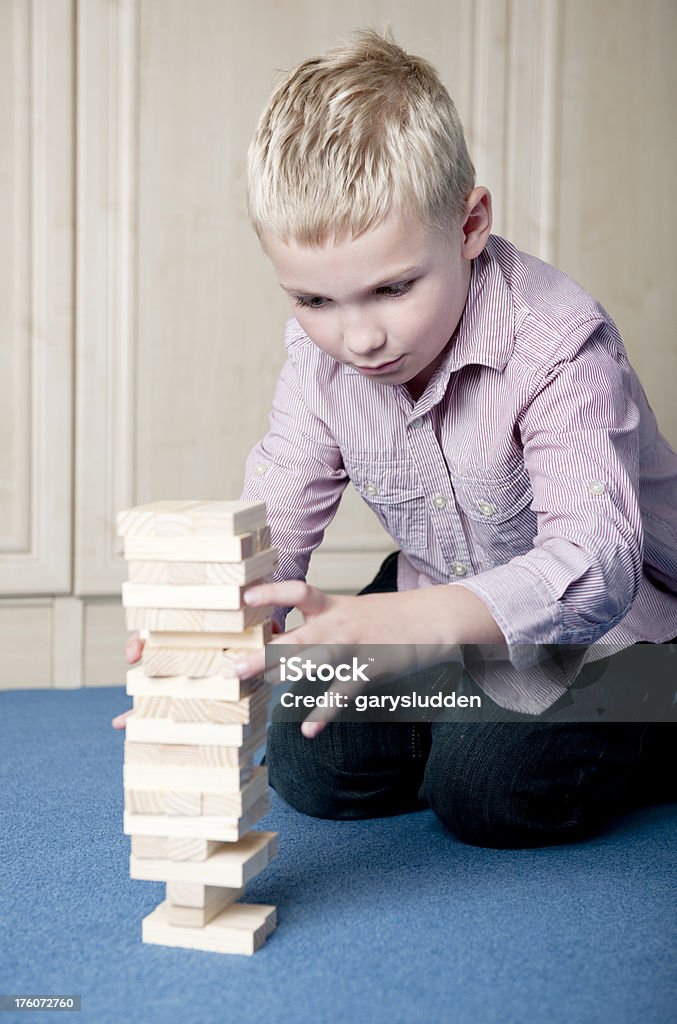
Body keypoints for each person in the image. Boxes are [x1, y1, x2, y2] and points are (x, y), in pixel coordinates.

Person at [114, 29, 677, 848]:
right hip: (436, 589)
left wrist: (417, 634)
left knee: (487, 787)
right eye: (314, 301)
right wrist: (208, 642)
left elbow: (594, 562)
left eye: (392, 288)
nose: (358, 338)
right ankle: (458, 706)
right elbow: (273, 523)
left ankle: (635, 718)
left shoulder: (558, 342)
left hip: (609, 624)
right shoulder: (319, 358)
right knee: (310, 760)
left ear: (469, 223)